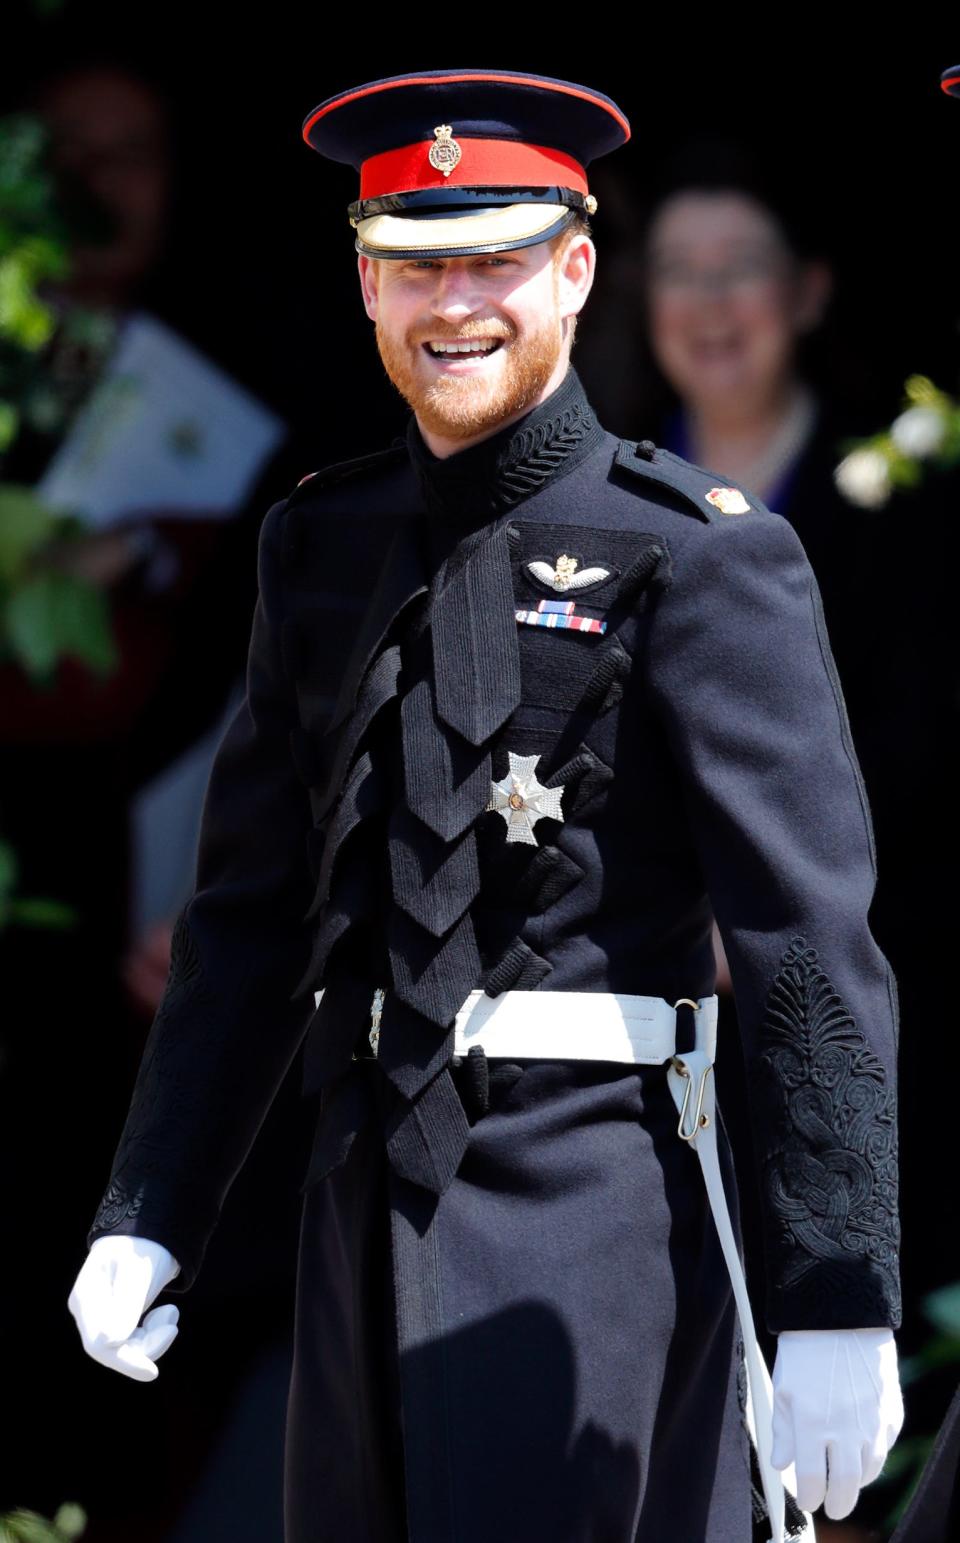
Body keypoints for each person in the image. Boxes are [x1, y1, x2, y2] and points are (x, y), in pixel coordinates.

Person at [67, 69, 905, 1543]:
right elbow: (251, 919)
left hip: (597, 1217)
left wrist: (837, 1287)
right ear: (364, 284)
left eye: (497, 255)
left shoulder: (702, 556)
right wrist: (151, 1205)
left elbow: (808, 945)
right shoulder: (317, 543)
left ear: (576, 271)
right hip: (353, 1211)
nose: (454, 300)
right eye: (411, 261)